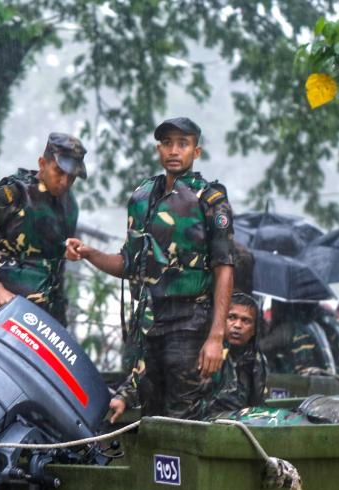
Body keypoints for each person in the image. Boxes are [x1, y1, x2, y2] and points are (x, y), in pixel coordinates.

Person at [66, 117, 234, 418]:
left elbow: (224, 268)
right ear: (158, 150)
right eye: (167, 143)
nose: (174, 150)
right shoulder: (142, 198)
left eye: (183, 144)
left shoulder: (210, 200)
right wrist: (91, 253)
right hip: (147, 326)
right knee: (150, 415)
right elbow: (129, 264)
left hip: (190, 324)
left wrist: (216, 335)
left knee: (183, 417)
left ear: (196, 152)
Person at [0, 133, 86, 326]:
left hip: (45, 322)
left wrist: (65, 250)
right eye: (59, 172)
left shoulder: (69, 205)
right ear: (42, 163)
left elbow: (55, 268)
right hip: (2, 315)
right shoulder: (13, 193)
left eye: (72, 177)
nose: (64, 182)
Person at [109, 292, 267, 422]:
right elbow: (150, 369)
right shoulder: (202, 348)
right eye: (232, 317)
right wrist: (123, 397)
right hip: (192, 423)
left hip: (234, 429)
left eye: (246, 321)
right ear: (220, 321)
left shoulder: (257, 361)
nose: (238, 325)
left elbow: (256, 403)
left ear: (254, 329)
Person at [260, 301, 334, 375]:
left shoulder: (289, 328)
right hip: (325, 380)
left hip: (302, 380)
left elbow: (262, 347)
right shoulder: (317, 327)